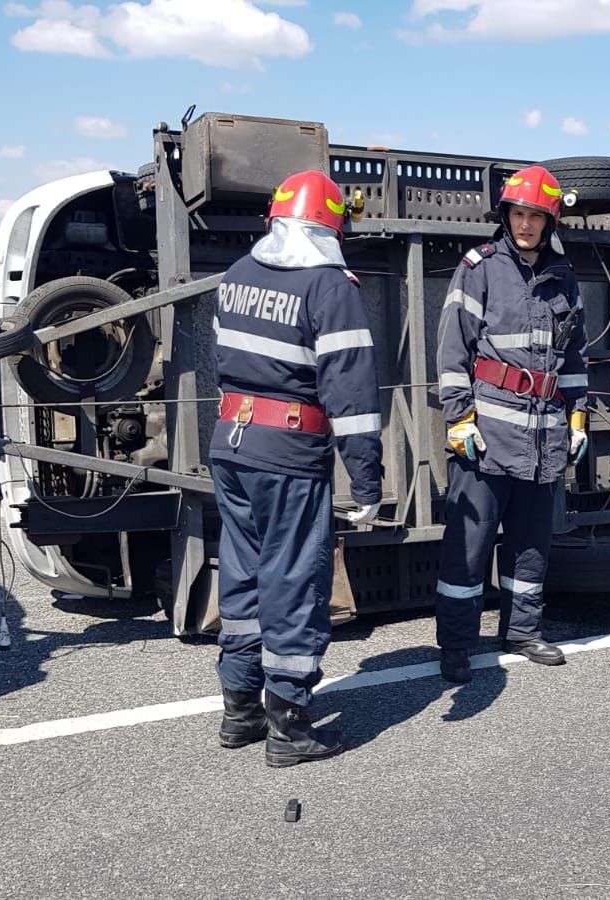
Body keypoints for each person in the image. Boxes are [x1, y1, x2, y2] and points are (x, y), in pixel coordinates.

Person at [209, 170, 385, 766]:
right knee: (292, 580)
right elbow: (352, 398)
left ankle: (240, 711)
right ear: (331, 226)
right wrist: (366, 479)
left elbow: (225, 361)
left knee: (241, 571)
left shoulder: (237, 275)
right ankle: (290, 727)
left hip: (231, 443)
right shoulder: (330, 288)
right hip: (287, 454)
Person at [432, 164, 589, 684]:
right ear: (506, 215)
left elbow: (574, 357)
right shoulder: (479, 267)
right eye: (518, 214)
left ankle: (523, 630)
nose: (526, 225)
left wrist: (580, 418)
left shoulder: (564, 277)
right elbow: (453, 348)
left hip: (545, 435)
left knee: (531, 541)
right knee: (468, 546)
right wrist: (459, 419)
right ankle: (456, 645)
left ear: (550, 221)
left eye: (535, 217)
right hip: (487, 435)